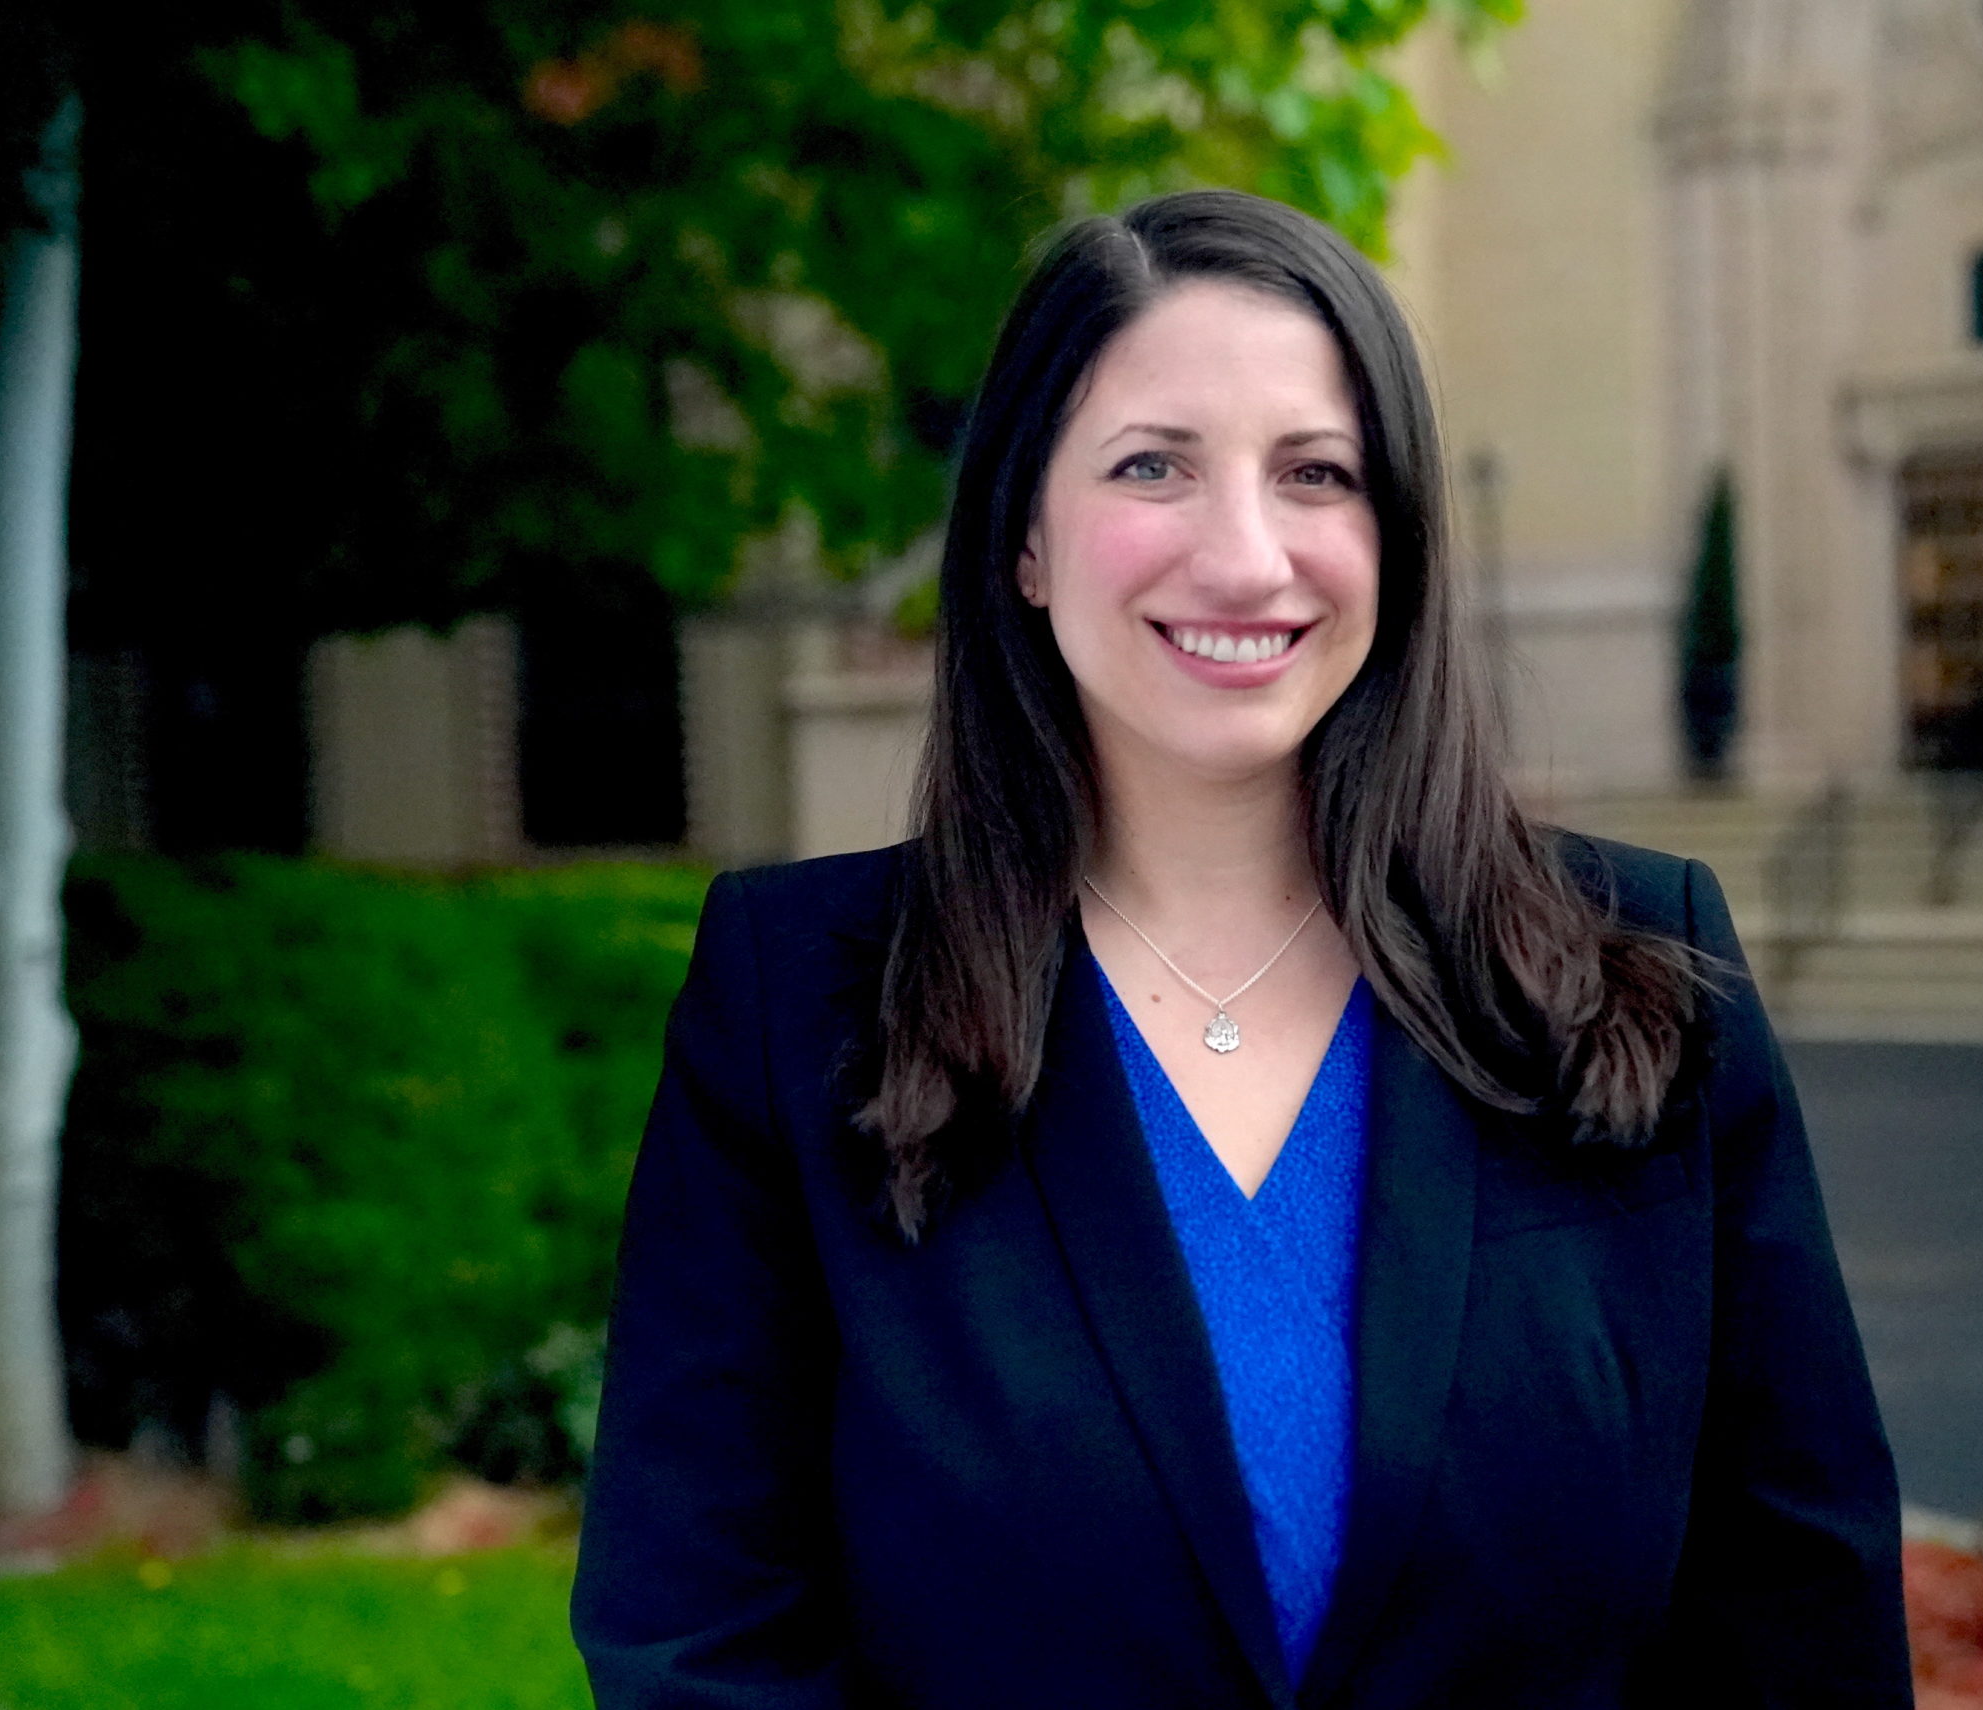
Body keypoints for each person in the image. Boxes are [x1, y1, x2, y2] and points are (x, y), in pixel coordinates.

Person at [570, 188, 1911, 1708]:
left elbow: (1802, 1602)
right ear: (1022, 535)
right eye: (1155, 466)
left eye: (1317, 474)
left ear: (1395, 534)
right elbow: (696, 1631)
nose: (1246, 556)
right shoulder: (795, 998)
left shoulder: (1634, 969)